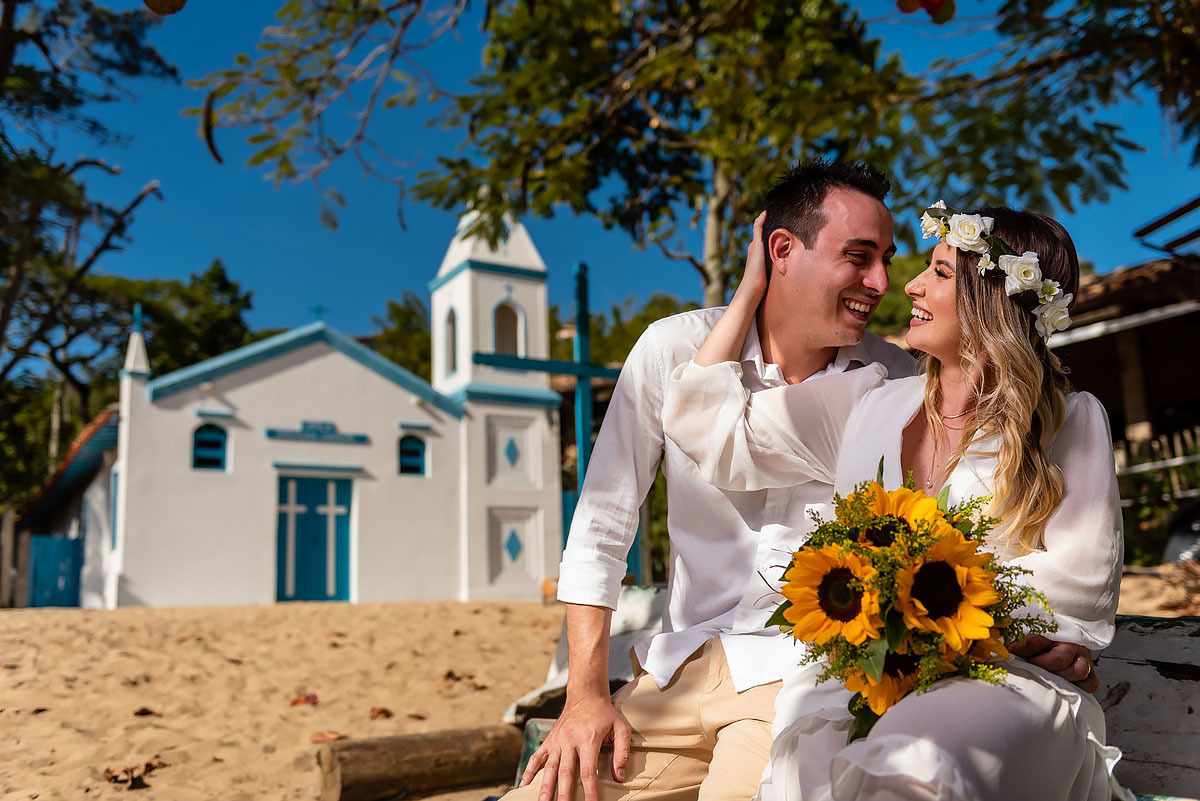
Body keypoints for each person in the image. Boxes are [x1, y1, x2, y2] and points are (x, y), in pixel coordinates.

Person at [509, 159, 1097, 801]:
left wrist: (1032, 636)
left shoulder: (890, 380)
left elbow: (989, 535)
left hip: (803, 681)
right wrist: (585, 695)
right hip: (676, 672)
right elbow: (604, 523)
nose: (884, 283)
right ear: (782, 250)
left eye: (889, 260)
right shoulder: (674, 350)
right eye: (858, 256)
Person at [661, 203, 1128, 801]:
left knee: (918, 762)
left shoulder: (1069, 419)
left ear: (991, 299)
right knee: (813, 769)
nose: (910, 285)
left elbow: (1082, 585)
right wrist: (754, 288)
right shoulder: (867, 402)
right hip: (859, 681)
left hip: (1002, 682)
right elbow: (704, 428)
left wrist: (917, 600)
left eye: (939, 271)